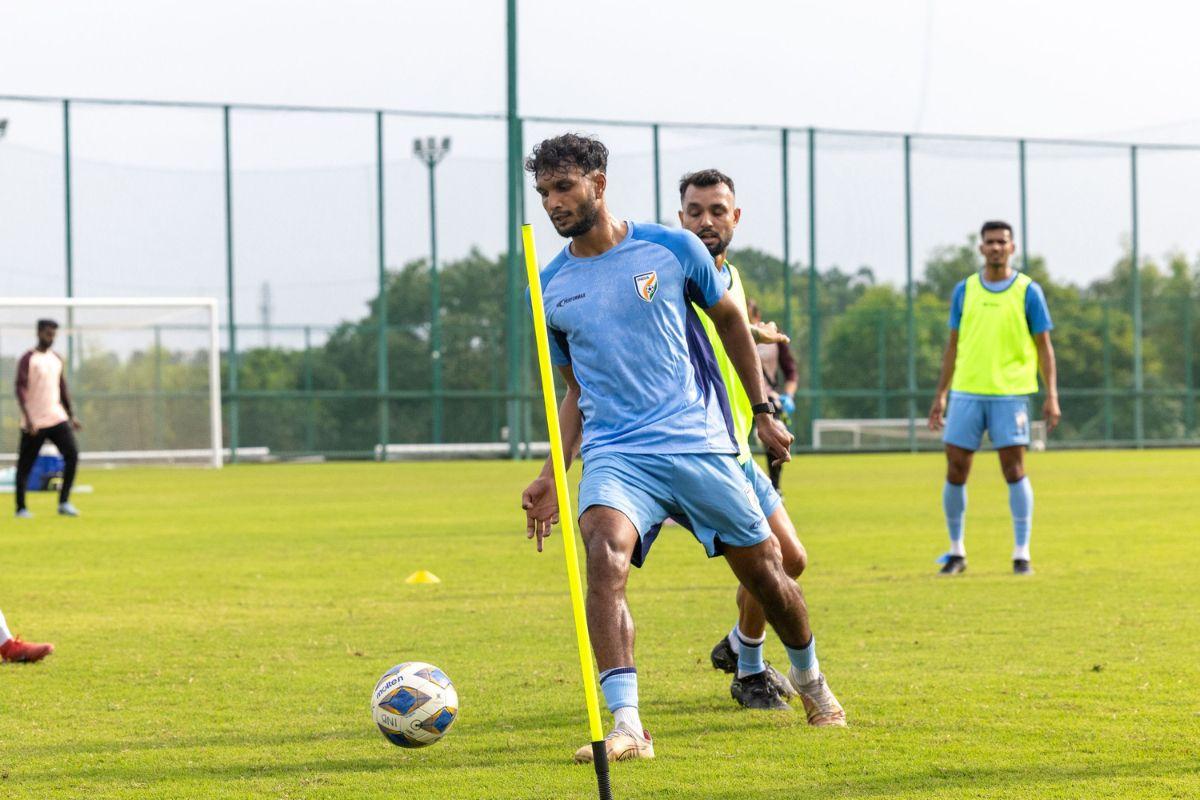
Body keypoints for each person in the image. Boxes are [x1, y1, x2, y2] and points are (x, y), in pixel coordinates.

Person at [520, 134, 846, 765]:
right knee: (604, 556)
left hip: (698, 444)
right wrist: (549, 473)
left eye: (563, 188)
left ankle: (812, 682)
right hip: (618, 454)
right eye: (543, 193)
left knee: (770, 575)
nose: (553, 203)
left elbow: (729, 320)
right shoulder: (551, 284)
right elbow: (575, 392)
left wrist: (762, 409)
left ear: (599, 181)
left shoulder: (671, 249)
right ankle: (627, 725)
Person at [676, 168, 809, 711]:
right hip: (695, 447)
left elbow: (724, 324)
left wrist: (757, 336)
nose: (706, 221)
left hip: (735, 445)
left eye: (717, 211)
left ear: (735, 217)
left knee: (791, 560)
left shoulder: (730, 277)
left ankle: (738, 645)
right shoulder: (675, 276)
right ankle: (750, 671)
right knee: (773, 556)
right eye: (695, 211)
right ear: (679, 218)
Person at [927, 220, 1060, 576]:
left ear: (1012, 247)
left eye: (1002, 242)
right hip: (967, 392)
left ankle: (1022, 553)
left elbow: (1044, 347)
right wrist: (940, 394)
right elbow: (952, 345)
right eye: (990, 242)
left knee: (1014, 470)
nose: (996, 247)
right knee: (956, 468)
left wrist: (1052, 395)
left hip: (1010, 394)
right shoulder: (965, 290)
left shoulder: (1029, 291)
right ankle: (956, 552)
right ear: (982, 248)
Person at [14, 319, 82, 518]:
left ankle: (64, 502)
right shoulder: (29, 359)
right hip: (35, 421)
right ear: (39, 333)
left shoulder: (56, 359)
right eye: (47, 334)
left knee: (72, 454)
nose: (50, 338)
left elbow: (62, 389)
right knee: (25, 464)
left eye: (53, 334)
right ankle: (21, 508)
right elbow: (21, 389)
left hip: (56, 417)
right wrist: (28, 418)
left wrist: (71, 416)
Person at [748, 299, 798, 491]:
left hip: (767, 398)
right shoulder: (727, 333)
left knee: (775, 438)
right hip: (736, 399)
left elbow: (791, 371)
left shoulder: (773, 340)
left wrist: (789, 396)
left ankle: (775, 488)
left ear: (757, 317)